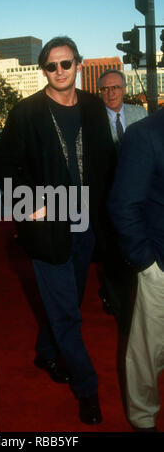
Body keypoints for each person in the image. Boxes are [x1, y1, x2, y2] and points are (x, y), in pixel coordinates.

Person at [0, 36, 115, 425]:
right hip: (48, 225)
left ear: (78, 65)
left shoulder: (95, 107)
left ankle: (46, 351)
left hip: (87, 224)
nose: (59, 72)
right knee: (67, 314)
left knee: (68, 302)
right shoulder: (26, 112)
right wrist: (29, 206)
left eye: (66, 64)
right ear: (43, 69)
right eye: (52, 66)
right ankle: (87, 388)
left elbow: (106, 162)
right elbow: (5, 167)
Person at [108, 108, 164, 432]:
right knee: (148, 355)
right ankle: (143, 420)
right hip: (160, 267)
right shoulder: (145, 134)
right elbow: (124, 205)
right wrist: (148, 264)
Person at [97, 69, 148, 334]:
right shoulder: (93, 120)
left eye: (115, 87)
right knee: (112, 253)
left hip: (140, 196)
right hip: (107, 198)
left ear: (124, 88)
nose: (111, 93)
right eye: (104, 89)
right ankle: (120, 307)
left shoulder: (141, 115)